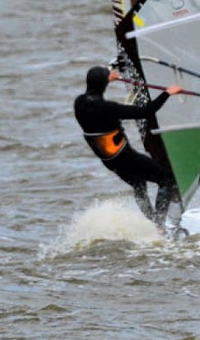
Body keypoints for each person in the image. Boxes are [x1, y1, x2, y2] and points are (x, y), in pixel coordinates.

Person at [74, 65, 182, 227]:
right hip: (124, 157)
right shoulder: (109, 108)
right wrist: (168, 93)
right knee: (167, 180)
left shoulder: (79, 103)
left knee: (139, 184)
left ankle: (153, 223)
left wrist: (108, 78)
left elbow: (95, 91)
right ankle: (159, 225)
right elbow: (146, 111)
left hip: (108, 160)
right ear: (103, 84)